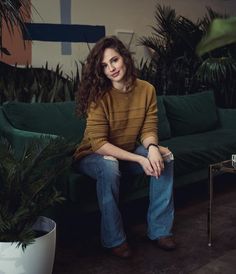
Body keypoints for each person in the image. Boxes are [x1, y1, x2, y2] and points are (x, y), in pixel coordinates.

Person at [73, 35, 176, 258]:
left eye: (114, 60)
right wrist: (140, 159)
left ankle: (159, 230)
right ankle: (114, 239)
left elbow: (148, 128)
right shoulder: (98, 96)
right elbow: (98, 144)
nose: (111, 68)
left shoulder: (147, 89)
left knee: (165, 158)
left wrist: (153, 148)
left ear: (125, 59)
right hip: (93, 155)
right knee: (110, 165)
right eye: (104, 65)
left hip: (126, 150)